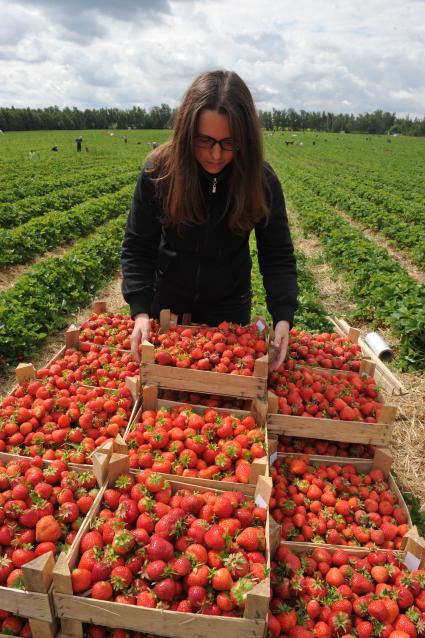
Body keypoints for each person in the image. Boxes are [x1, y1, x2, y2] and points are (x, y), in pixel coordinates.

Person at [121, 70, 298, 369]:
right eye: (204, 141)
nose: (216, 155)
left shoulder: (260, 180)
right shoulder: (160, 172)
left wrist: (283, 318)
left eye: (229, 143)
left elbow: (277, 256)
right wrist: (140, 311)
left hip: (229, 307)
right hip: (167, 303)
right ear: (186, 133)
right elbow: (138, 246)